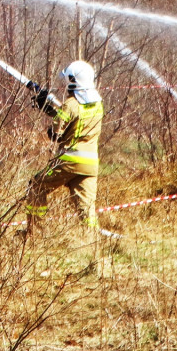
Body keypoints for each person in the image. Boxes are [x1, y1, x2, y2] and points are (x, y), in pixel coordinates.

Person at [26, 60, 104, 238]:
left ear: (73, 81)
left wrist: (45, 105)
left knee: (36, 186)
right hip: (90, 164)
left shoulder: (70, 104)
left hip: (70, 160)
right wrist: (52, 108)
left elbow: (56, 134)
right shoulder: (98, 104)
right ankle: (91, 241)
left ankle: (34, 235)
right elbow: (75, 119)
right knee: (86, 207)